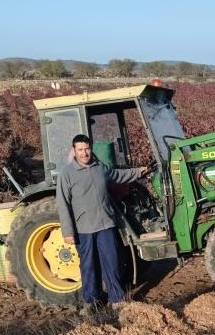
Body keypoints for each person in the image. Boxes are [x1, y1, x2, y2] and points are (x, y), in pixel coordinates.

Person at [56, 134, 148, 312]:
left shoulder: (99, 168)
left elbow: (117, 175)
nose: (84, 153)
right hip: (84, 228)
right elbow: (63, 204)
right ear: (74, 151)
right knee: (88, 265)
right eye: (80, 150)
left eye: (87, 149)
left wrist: (138, 171)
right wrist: (68, 232)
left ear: (91, 149)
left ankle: (117, 299)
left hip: (106, 224)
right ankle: (92, 302)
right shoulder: (66, 175)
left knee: (112, 262)